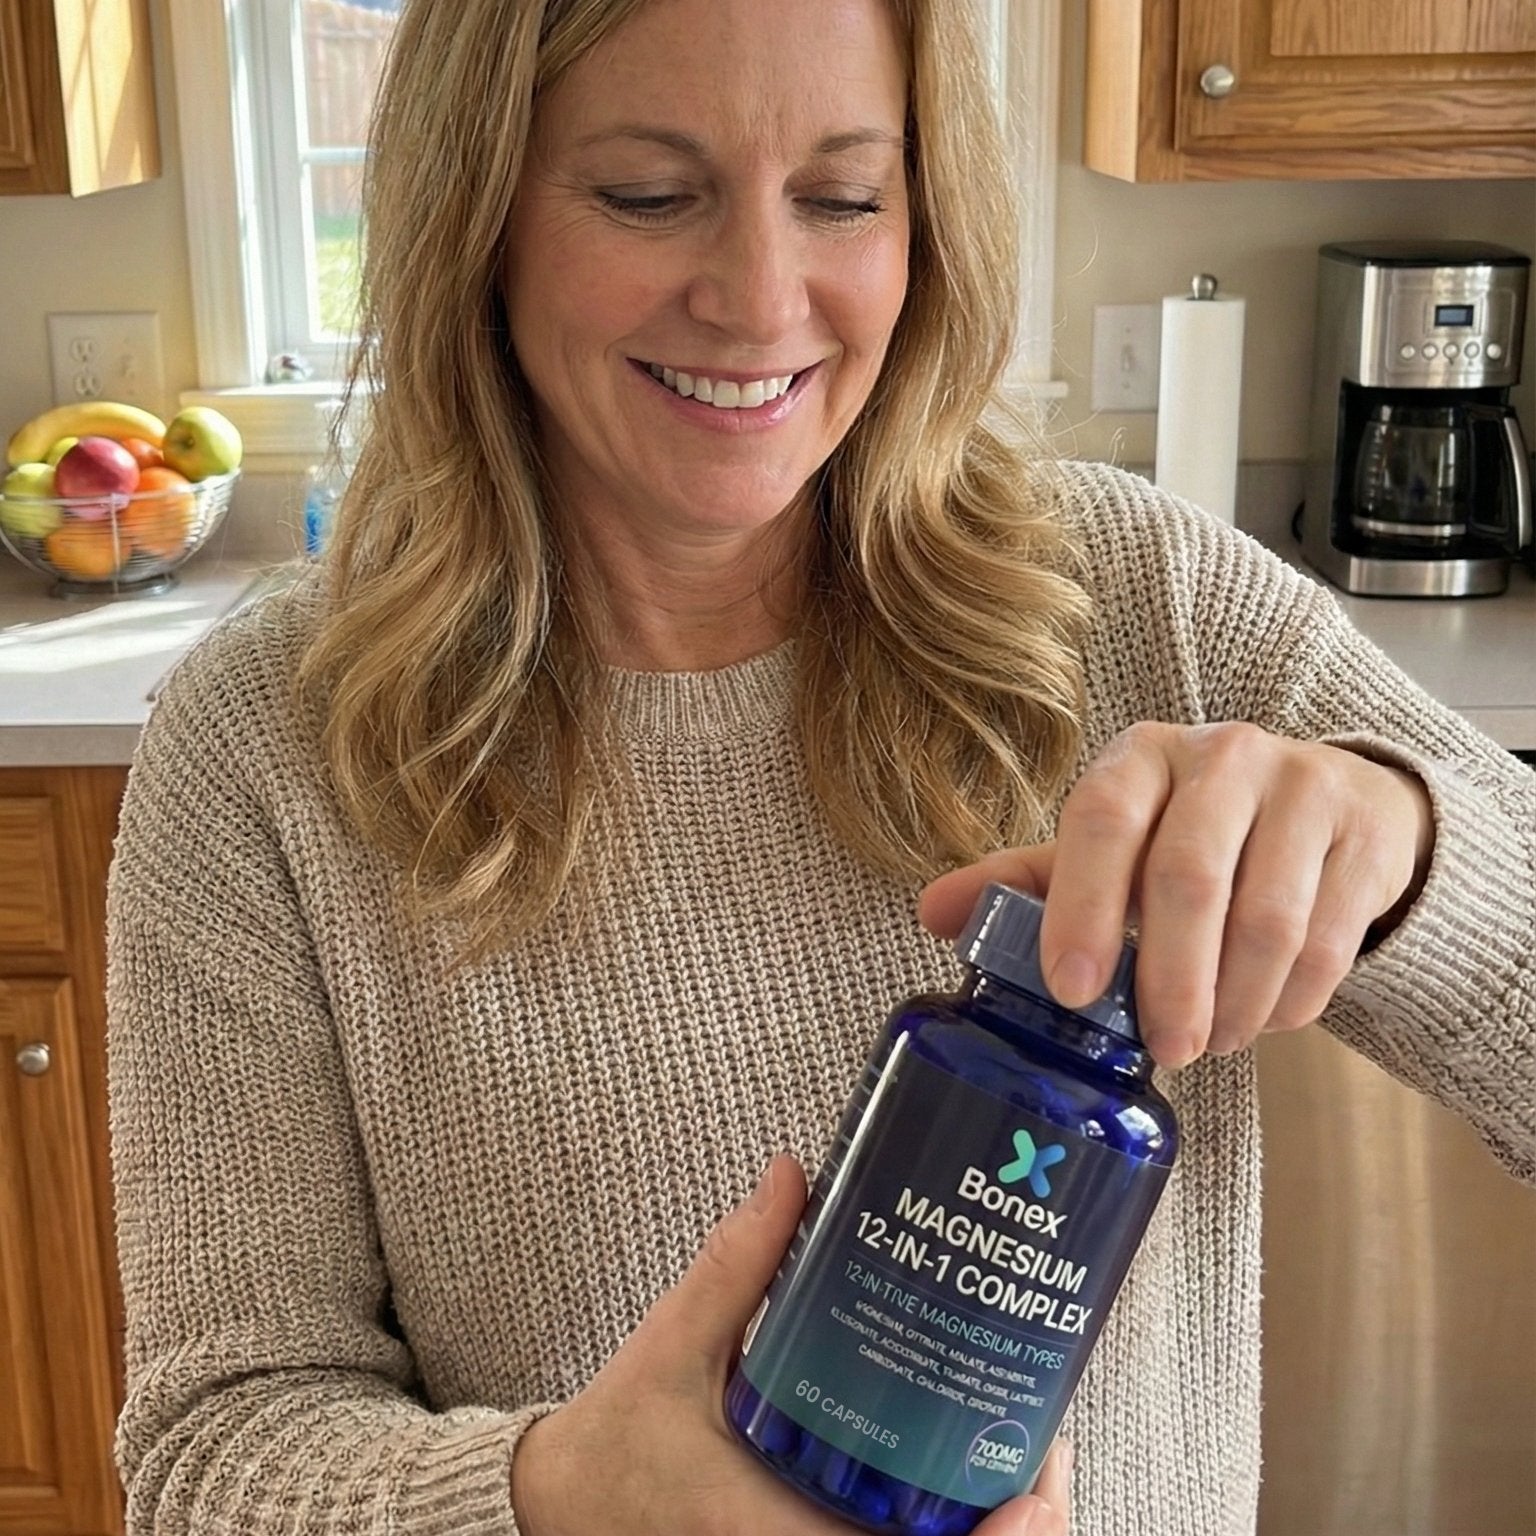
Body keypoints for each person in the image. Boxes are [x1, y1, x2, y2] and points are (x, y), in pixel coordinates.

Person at [104, 0, 1535, 1533]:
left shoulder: (1147, 602)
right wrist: (558, 1499)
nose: (760, 298)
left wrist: (1407, 855)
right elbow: (211, 1454)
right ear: (479, 220)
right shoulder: (263, 744)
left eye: (844, 198)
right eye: (649, 194)